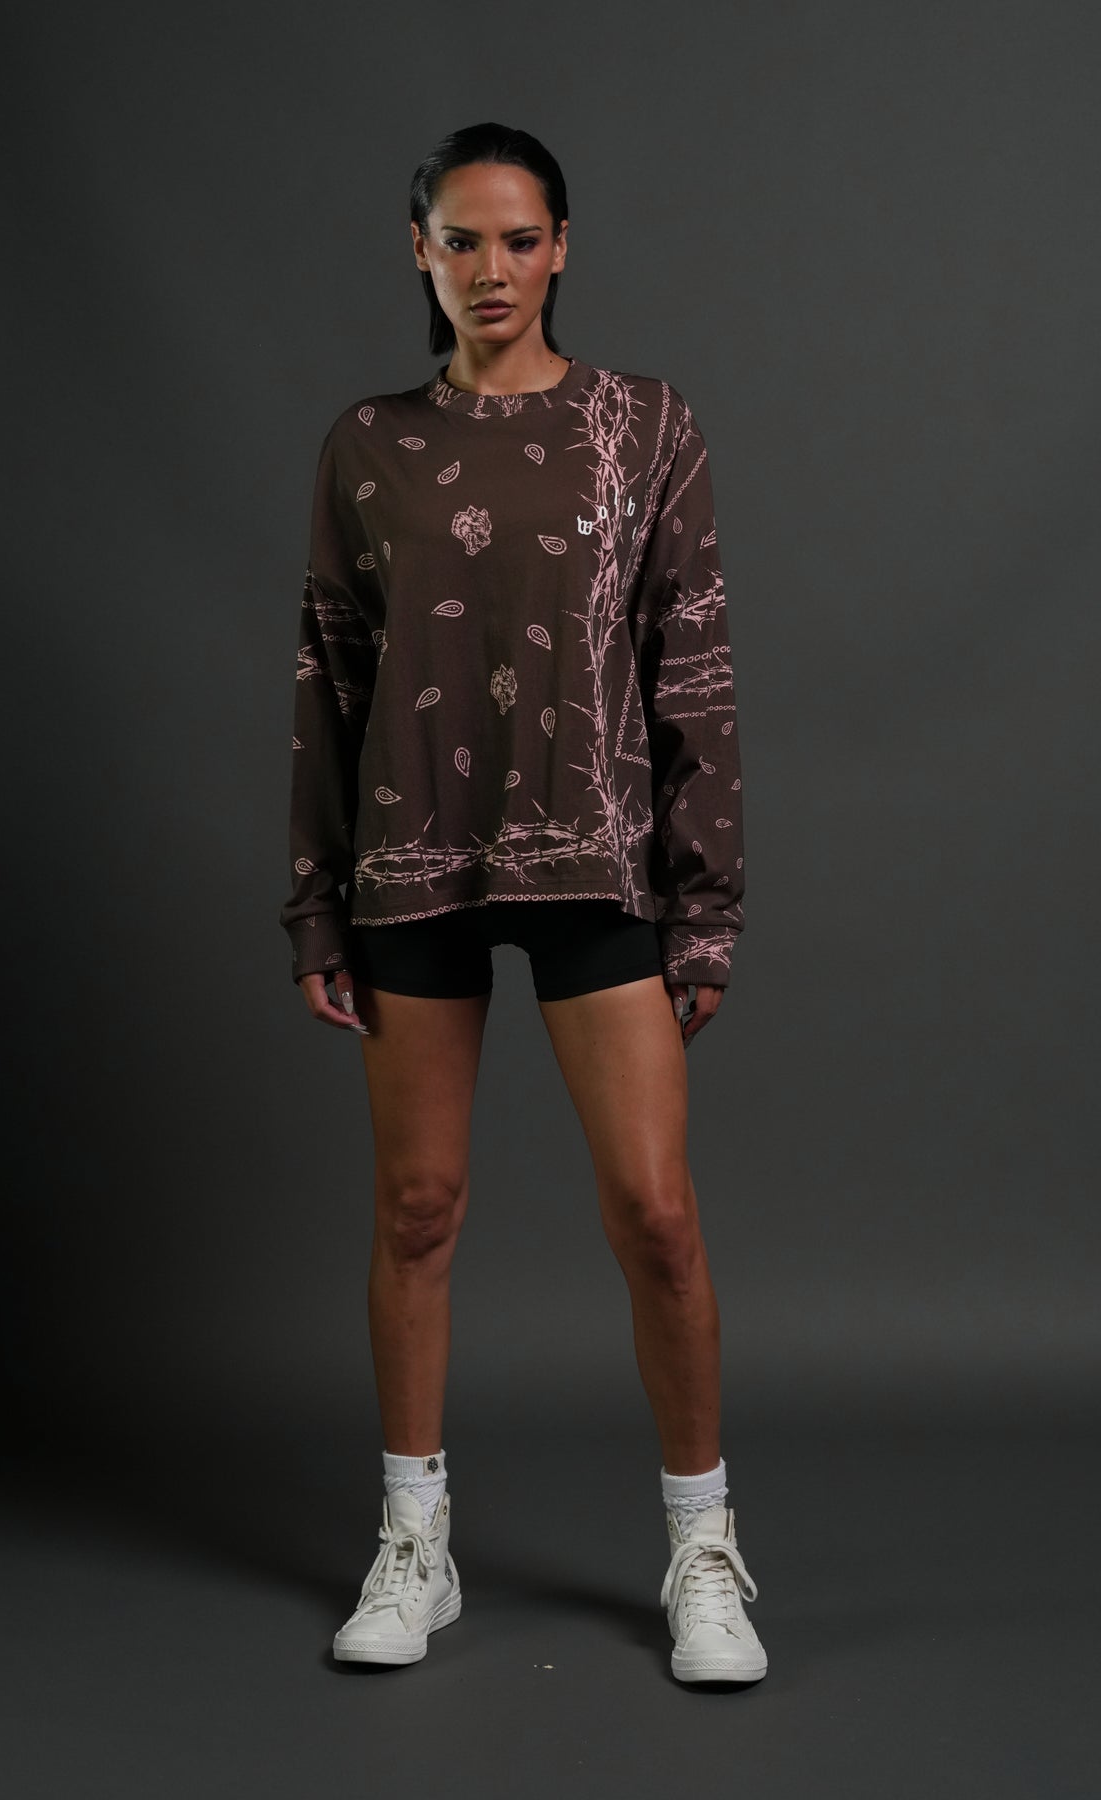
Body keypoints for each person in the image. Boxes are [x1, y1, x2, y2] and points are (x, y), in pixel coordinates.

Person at [280, 121, 767, 1686]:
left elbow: (691, 662)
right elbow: (329, 681)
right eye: (459, 240)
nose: (490, 268)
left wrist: (704, 902)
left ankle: (703, 1547)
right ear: (418, 253)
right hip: (411, 857)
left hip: (593, 854)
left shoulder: (645, 425)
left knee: (659, 1217)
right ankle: (413, 1540)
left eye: (518, 238)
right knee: (418, 1211)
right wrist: (314, 903)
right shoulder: (368, 446)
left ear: (562, 248)